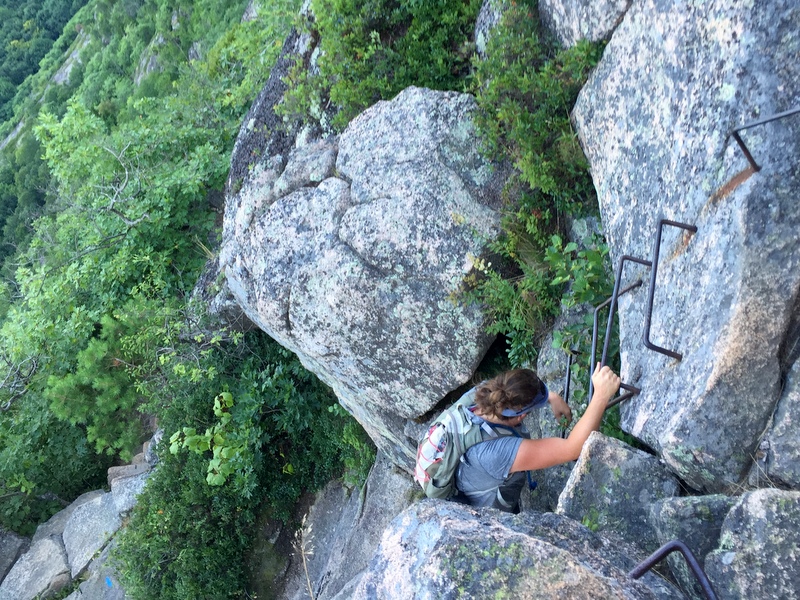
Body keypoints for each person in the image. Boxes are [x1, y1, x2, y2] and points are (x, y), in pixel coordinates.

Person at [454, 363, 621, 512]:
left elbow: (513, 390)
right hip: (482, 510)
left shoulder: (486, 393)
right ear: (522, 415)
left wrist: (551, 396)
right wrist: (601, 396)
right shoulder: (496, 453)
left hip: (467, 474)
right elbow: (573, 449)